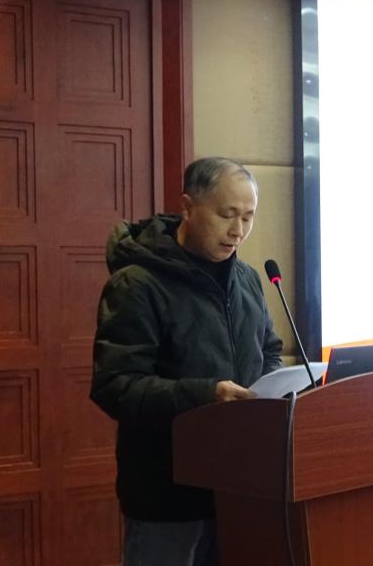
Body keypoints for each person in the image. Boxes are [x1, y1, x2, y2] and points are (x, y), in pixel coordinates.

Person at [91, 157, 283, 566]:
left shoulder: (247, 279)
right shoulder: (137, 283)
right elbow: (115, 385)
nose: (238, 230)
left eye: (248, 217)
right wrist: (206, 395)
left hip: (240, 487)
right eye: (227, 214)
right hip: (167, 492)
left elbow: (268, 350)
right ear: (188, 207)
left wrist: (274, 387)